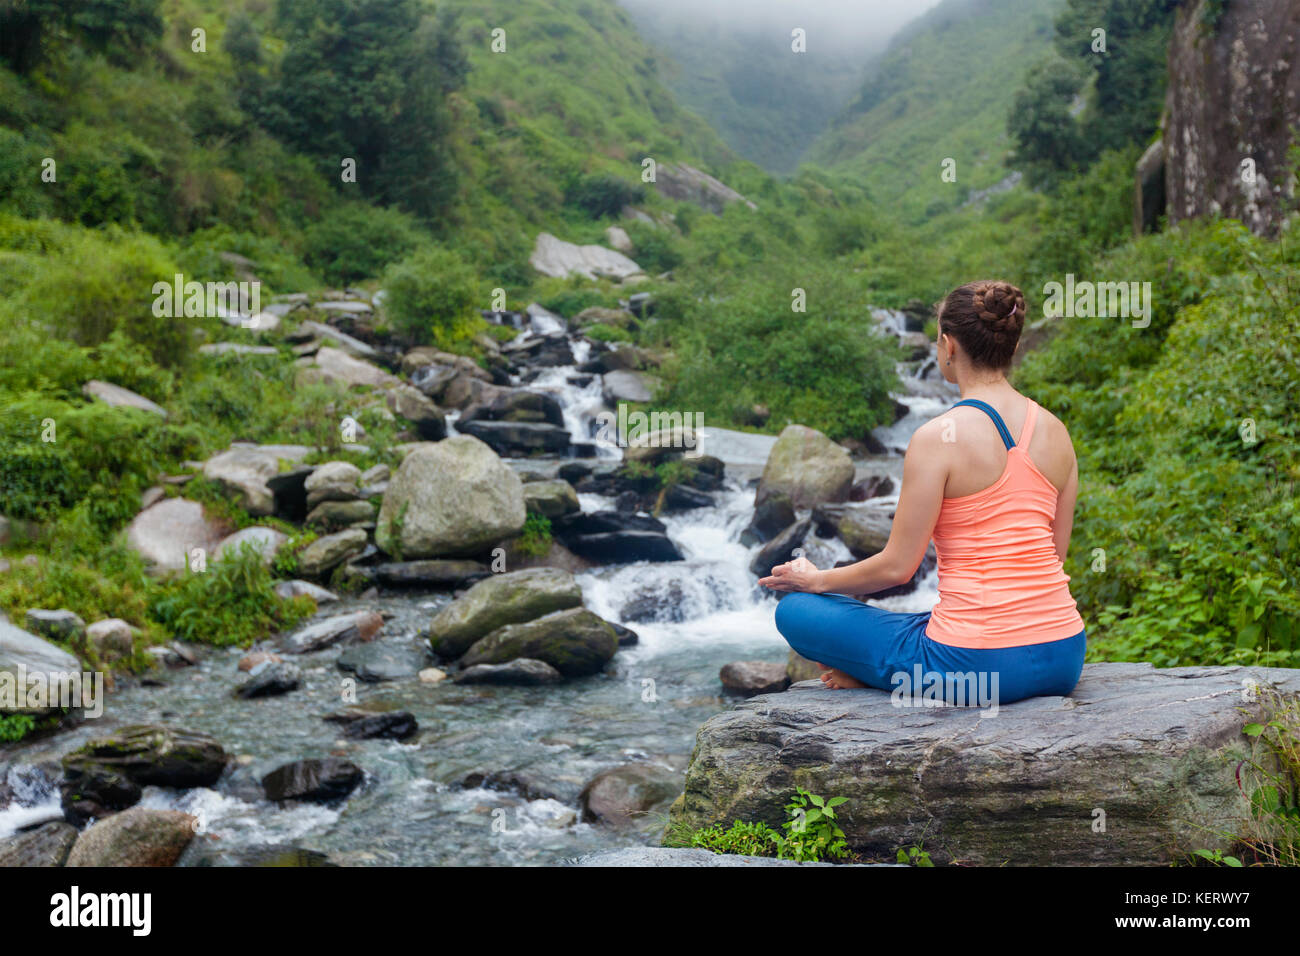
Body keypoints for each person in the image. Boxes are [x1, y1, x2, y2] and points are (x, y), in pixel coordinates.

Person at [760, 280, 1086, 707]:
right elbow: (1053, 557)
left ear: (948, 347)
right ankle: (897, 670)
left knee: (796, 612)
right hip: (1064, 653)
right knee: (925, 622)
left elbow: (898, 567)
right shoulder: (1057, 432)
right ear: (1014, 343)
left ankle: (891, 676)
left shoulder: (938, 437)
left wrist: (816, 580)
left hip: (976, 667)